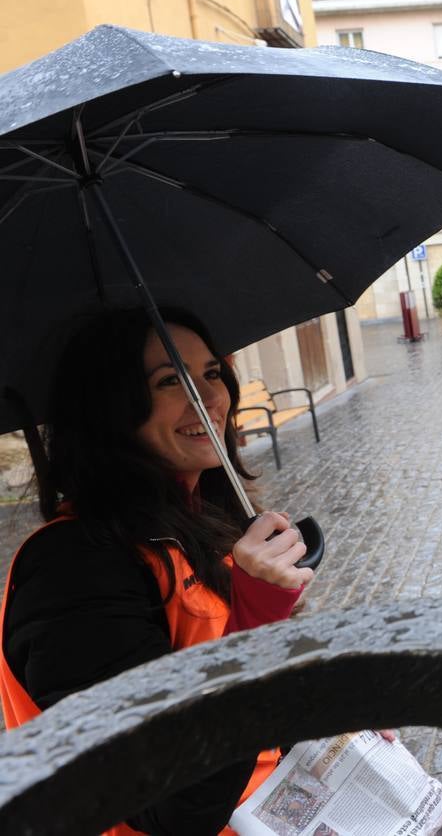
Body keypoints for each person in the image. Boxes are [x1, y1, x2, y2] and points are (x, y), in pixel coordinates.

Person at [0, 307, 313, 835]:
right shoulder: (73, 572)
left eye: (212, 374)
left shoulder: (200, 521)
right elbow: (172, 806)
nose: (211, 399)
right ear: (108, 410)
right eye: (171, 381)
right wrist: (254, 628)